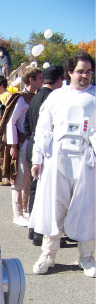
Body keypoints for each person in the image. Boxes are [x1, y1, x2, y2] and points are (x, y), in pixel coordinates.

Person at [30, 52, 95, 277]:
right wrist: (37, 158)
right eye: (80, 71)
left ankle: (86, 256)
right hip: (57, 156)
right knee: (53, 207)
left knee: (86, 208)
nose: (84, 75)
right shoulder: (56, 97)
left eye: (88, 71)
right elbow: (43, 129)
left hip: (86, 160)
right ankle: (48, 254)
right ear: (70, 72)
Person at [24, 65, 64, 244]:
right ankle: (43, 231)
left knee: (35, 189)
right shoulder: (52, 98)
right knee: (46, 192)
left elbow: (26, 125)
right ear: (60, 80)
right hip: (44, 146)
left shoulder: (35, 97)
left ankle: (34, 230)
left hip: (32, 143)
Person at [5, 67, 43, 226]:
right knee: (19, 179)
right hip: (22, 143)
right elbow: (11, 122)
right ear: (31, 80)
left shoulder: (38, 97)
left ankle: (26, 210)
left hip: (32, 143)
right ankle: (17, 213)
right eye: (39, 78)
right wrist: (13, 144)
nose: (42, 80)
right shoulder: (20, 99)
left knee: (29, 179)